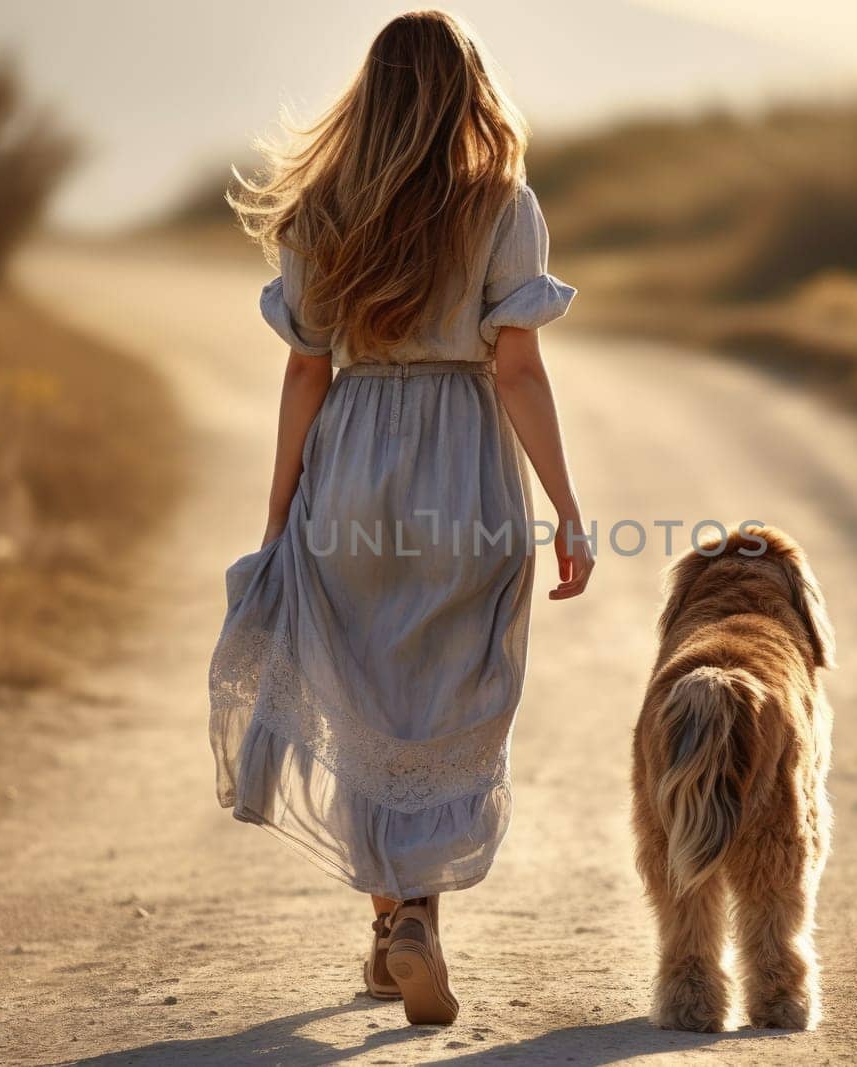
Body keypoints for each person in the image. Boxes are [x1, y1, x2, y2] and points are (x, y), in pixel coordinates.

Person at [208, 9, 592, 1027]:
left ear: (369, 95)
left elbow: (303, 367)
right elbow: (517, 366)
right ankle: (415, 911)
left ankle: (393, 922)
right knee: (453, 696)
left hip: (353, 464)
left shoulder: (318, 211)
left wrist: (282, 507)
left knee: (363, 695)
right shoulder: (504, 205)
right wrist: (568, 508)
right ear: (466, 90)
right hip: (464, 463)